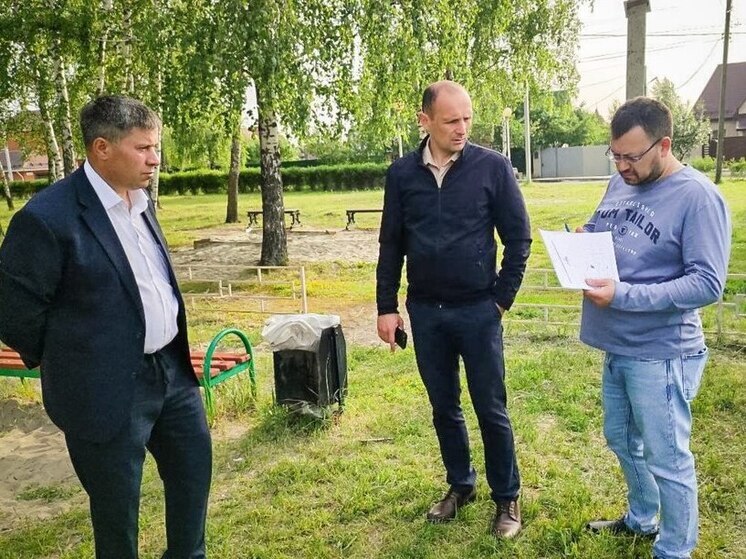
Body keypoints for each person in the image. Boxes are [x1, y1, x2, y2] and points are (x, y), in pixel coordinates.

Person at [0, 96, 212, 559]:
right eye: (143, 148)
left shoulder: (141, 201)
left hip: (172, 373)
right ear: (102, 148)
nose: (155, 159)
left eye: (155, 147)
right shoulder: (45, 219)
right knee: (117, 516)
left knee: (193, 474)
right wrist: (78, 358)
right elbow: (14, 314)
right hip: (104, 390)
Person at [376, 80, 532, 538]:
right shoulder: (401, 175)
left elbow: (519, 238)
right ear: (425, 121)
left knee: (491, 408)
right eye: (451, 121)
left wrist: (500, 300)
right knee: (444, 406)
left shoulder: (492, 167)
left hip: (479, 311)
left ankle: (507, 497)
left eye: (467, 118)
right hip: (427, 312)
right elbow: (391, 243)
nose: (462, 128)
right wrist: (387, 306)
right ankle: (461, 484)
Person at [578, 97, 731, 559]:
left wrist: (623, 295)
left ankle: (674, 550)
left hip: (663, 352)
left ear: (664, 146)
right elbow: (604, 229)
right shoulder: (619, 181)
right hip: (618, 343)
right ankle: (643, 517)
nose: (622, 166)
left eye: (631, 157)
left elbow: (707, 284)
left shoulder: (698, 198)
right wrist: (583, 240)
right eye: (615, 155)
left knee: (668, 457)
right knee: (622, 440)